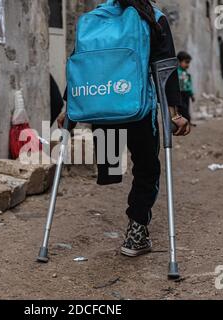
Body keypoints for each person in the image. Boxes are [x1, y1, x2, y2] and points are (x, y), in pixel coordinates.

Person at [58, 0, 190, 257]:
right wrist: (175, 113)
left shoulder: (93, 19)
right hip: (137, 110)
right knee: (147, 168)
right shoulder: (153, 17)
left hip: (102, 112)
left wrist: (69, 111)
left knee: (111, 163)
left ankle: (112, 173)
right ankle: (137, 231)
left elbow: (82, 68)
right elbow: (165, 71)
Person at [177, 51, 195, 123]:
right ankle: (185, 121)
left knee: (186, 108)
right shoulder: (177, 72)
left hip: (186, 94)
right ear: (179, 62)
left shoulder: (187, 74)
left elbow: (189, 85)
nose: (188, 65)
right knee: (182, 109)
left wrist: (191, 94)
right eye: (186, 62)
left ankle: (187, 122)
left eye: (188, 63)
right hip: (179, 94)